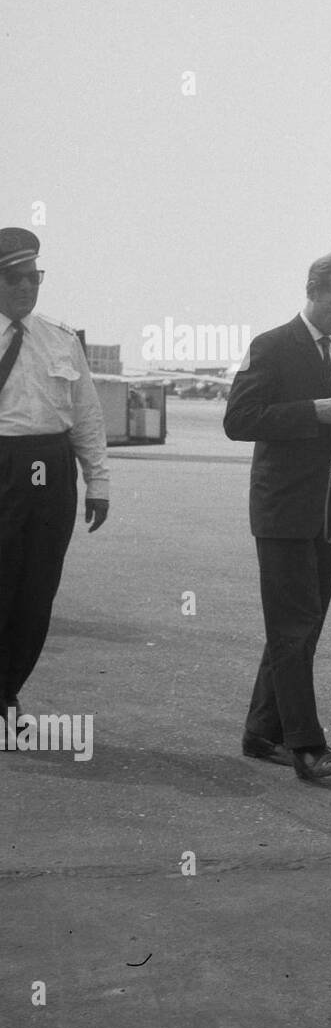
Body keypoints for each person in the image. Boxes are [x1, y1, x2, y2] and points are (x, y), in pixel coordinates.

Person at [223, 250, 331, 782]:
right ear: (312, 291)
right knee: (293, 628)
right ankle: (305, 746)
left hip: (330, 511)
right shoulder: (271, 346)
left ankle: (261, 731)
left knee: (302, 628)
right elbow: (238, 419)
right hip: (283, 511)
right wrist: (312, 411)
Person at [0, 228, 109, 721]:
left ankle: (6, 696)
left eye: (34, 277)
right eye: (14, 278)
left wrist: (98, 482)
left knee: (36, 590)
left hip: (51, 469)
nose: (27, 287)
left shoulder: (60, 339)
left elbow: (87, 416)